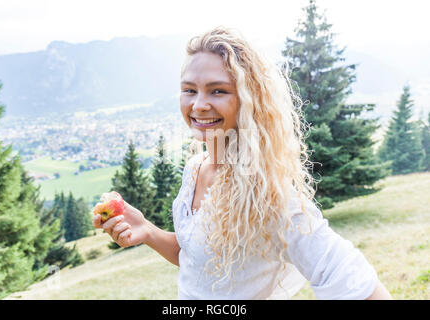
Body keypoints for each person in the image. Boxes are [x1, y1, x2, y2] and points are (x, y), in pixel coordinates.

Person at [93, 26, 392, 300]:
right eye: (189, 90)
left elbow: (356, 282)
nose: (198, 104)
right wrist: (147, 230)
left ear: (249, 100)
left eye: (218, 90)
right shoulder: (195, 168)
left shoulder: (268, 194)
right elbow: (199, 262)